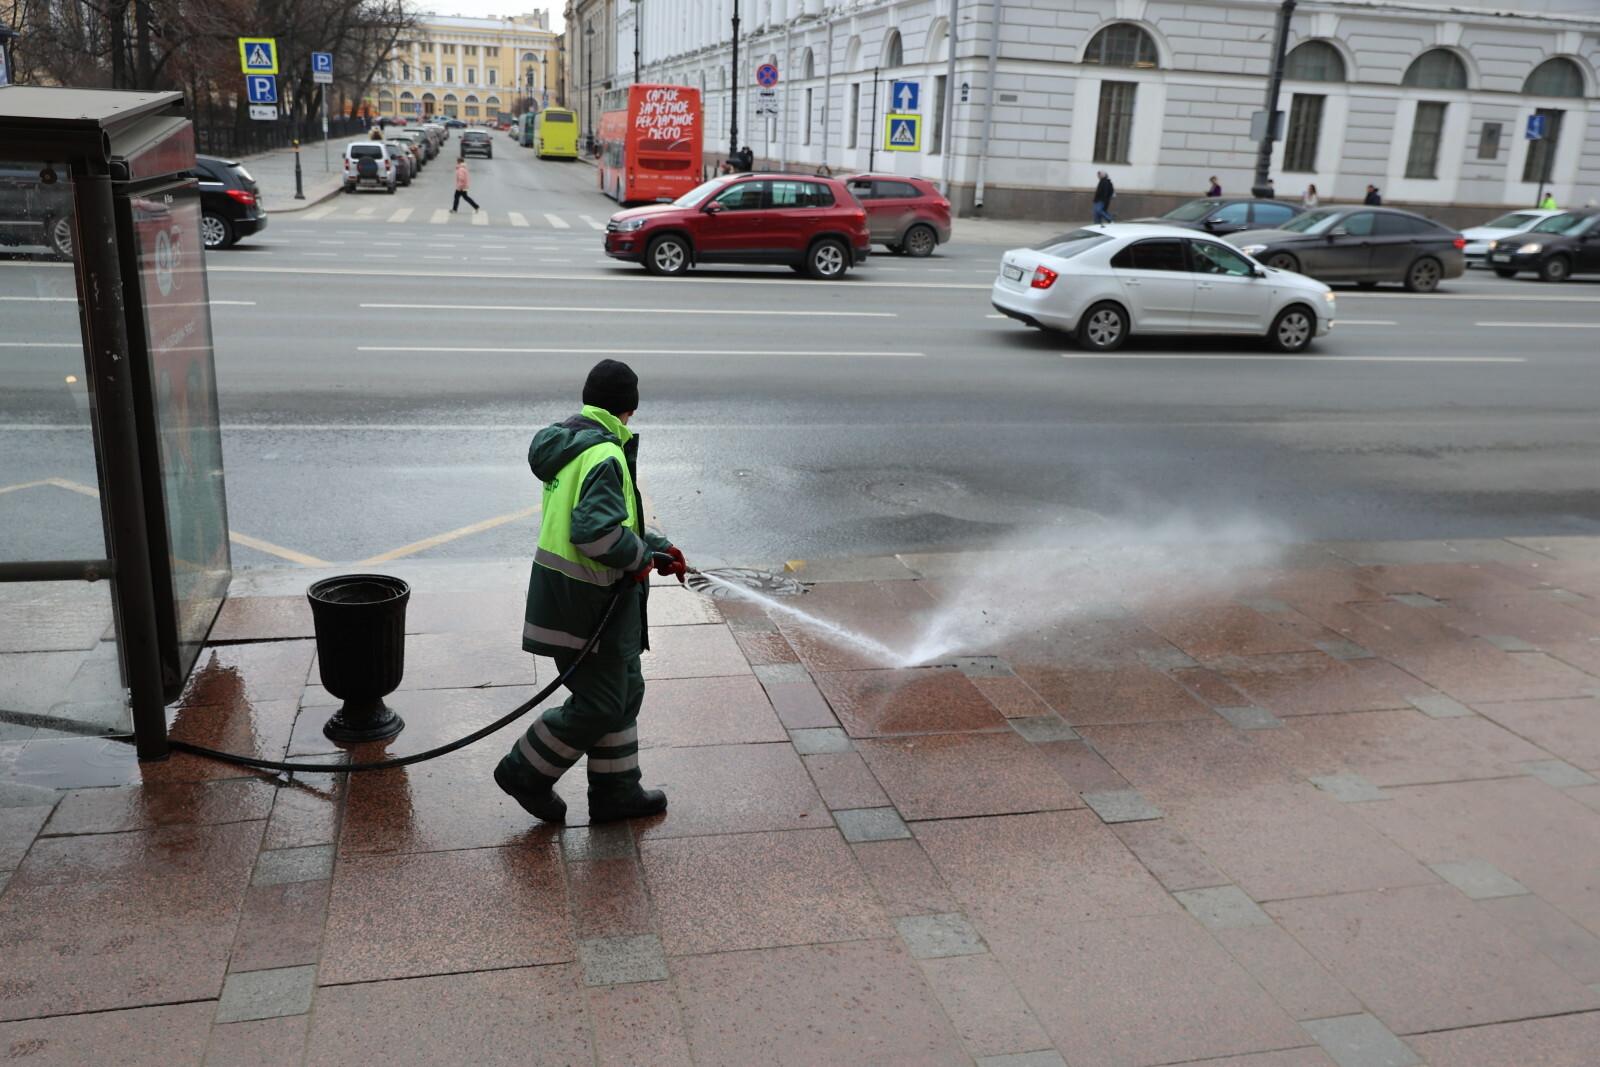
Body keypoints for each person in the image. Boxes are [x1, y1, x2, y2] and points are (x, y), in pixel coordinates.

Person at [495, 360, 688, 825]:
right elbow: (595, 534)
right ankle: (524, 772)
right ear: (628, 408)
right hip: (587, 605)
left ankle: (616, 792)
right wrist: (640, 558)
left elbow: (608, 520)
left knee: (625, 690)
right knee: (601, 704)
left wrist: (656, 547)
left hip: (582, 600)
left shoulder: (574, 442)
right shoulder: (605, 453)